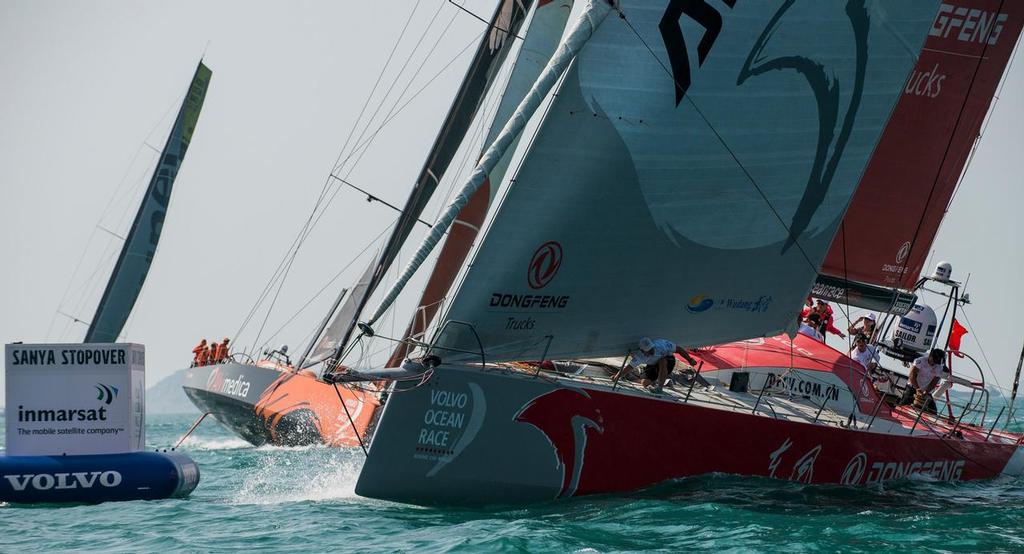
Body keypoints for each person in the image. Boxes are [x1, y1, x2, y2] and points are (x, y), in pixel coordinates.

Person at [615, 337, 695, 393]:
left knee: (662, 360)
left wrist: (690, 359)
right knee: (645, 383)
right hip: (653, 365)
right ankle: (636, 379)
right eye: (648, 351)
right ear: (642, 351)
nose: (651, 351)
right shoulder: (640, 356)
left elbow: (679, 349)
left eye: (651, 349)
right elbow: (629, 367)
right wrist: (617, 377)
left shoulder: (661, 344)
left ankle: (659, 388)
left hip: (668, 361)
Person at [903, 348, 948, 413]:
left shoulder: (939, 367)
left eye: (936, 362)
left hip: (926, 391)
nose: (934, 363)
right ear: (930, 356)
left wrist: (926, 391)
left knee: (933, 411)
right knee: (905, 403)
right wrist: (918, 389)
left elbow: (934, 382)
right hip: (913, 387)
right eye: (934, 360)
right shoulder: (920, 361)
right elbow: (912, 376)